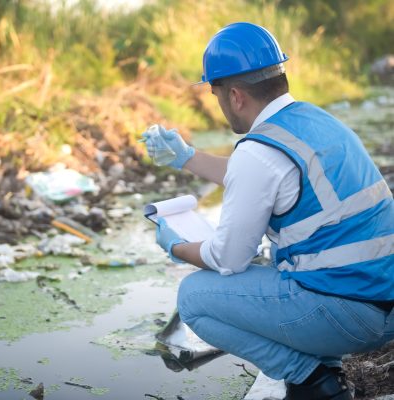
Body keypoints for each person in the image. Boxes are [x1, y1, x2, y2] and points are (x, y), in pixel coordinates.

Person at [143, 22, 394, 400]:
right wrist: (188, 158)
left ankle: (312, 381)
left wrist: (176, 245)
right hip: (381, 305)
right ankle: (324, 364)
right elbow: (259, 179)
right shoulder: (315, 121)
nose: (219, 104)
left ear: (236, 95)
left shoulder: (258, 152)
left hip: (351, 317)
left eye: (215, 94)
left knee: (194, 296)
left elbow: (226, 258)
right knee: (279, 267)